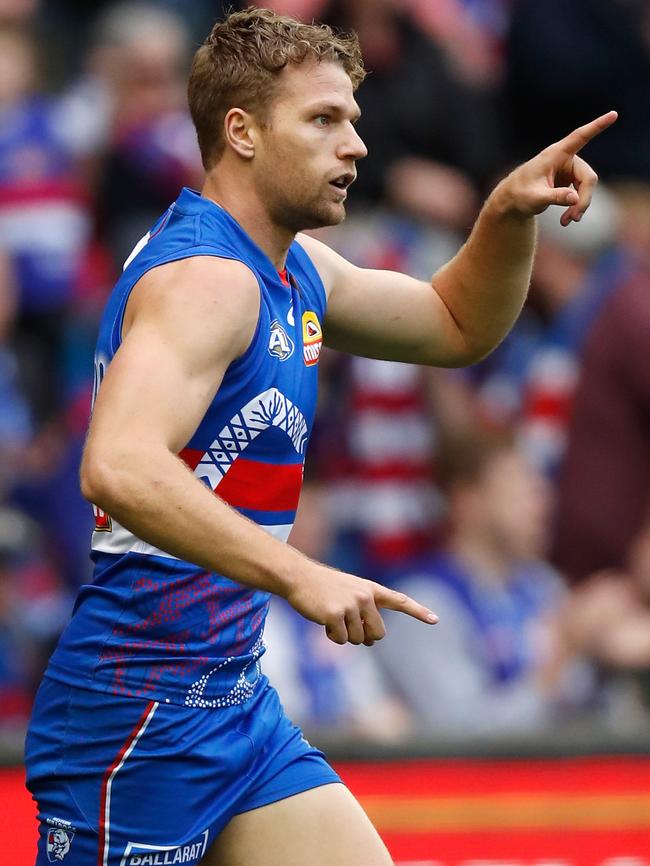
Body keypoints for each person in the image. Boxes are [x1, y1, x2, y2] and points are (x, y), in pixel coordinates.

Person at [23, 8, 614, 866]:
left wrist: (506, 213)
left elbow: (454, 326)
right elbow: (115, 464)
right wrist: (301, 572)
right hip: (137, 716)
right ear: (243, 133)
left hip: (232, 705)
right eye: (324, 120)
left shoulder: (294, 267)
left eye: (355, 121)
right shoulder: (207, 281)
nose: (356, 147)